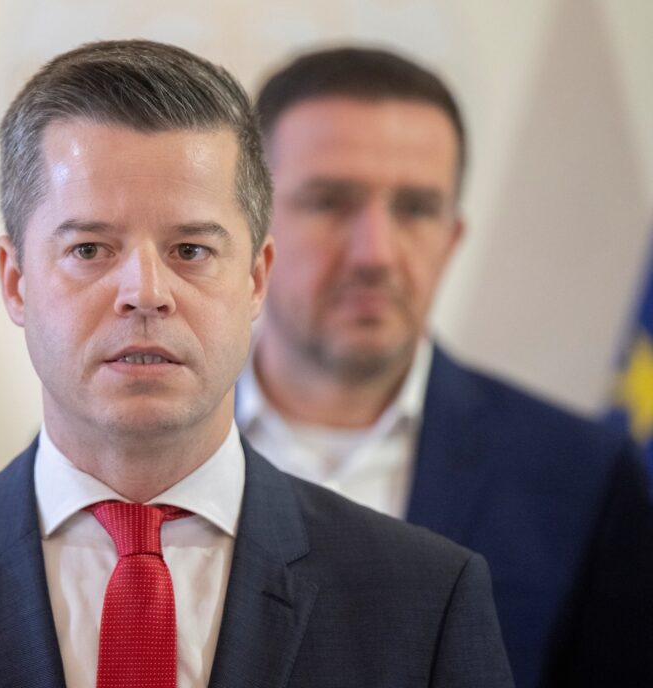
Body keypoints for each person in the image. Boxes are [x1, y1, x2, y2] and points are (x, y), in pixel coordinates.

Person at [0, 40, 513, 687]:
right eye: (90, 249)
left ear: (256, 279)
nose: (145, 292)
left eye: (191, 249)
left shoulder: (425, 599)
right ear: (16, 281)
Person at [240, 45, 653, 688]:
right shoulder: (143, 453)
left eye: (415, 208)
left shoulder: (580, 476)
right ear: (248, 229)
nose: (375, 253)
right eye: (330, 201)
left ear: (453, 237)